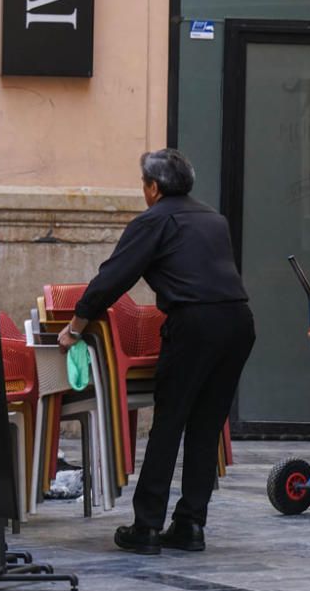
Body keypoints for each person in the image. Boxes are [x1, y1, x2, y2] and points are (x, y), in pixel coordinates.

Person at [57, 148, 255, 556]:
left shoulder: (153, 220)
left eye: (142, 183)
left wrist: (76, 325)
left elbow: (114, 277)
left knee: (170, 423)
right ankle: (190, 524)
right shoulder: (214, 220)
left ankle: (146, 526)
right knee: (206, 425)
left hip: (195, 325)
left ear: (153, 187)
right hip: (238, 322)